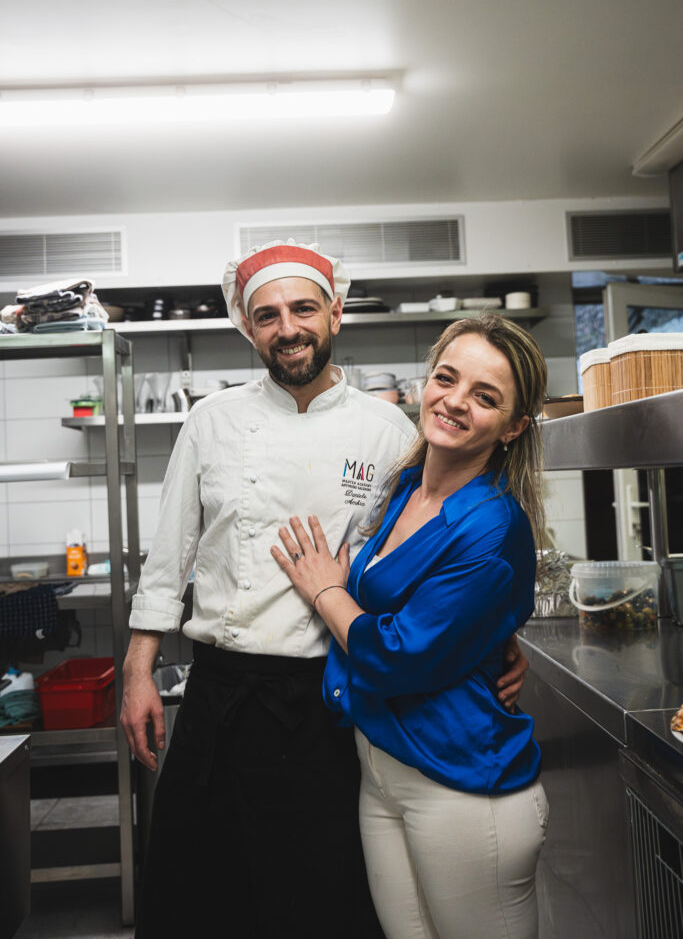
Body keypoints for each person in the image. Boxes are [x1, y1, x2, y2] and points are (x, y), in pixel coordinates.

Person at [120, 241, 530, 939]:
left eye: (303, 308)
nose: (288, 328)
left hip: (324, 702)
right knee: (197, 896)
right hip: (219, 694)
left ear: (334, 312)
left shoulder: (385, 429)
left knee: (313, 904)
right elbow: (170, 555)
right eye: (268, 315)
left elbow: (416, 556)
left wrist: (495, 635)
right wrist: (137, 667)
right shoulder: (210, 421)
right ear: (248, 329)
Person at [271, 313, 549, 939]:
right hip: (382, 772)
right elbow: (429, 609)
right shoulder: (406, 491)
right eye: (446, 379)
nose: (454, 402)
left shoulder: (493, 524)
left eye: (485, 397)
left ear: (514, 426)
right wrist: (492, 641)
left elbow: (398, 652)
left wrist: (325, 591)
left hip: (462, 790)